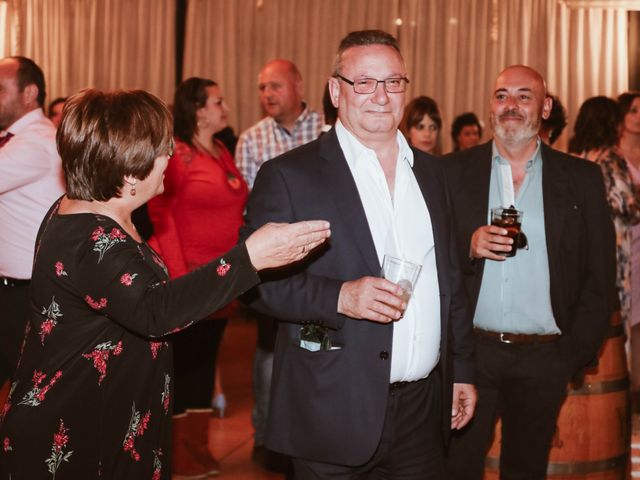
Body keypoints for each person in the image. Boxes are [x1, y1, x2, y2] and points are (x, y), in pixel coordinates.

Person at [0, 88, 330, 480]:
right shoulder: (89, 238)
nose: (169, 157)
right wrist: (250, 258)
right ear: (127, 170)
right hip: (76, 428)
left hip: (112, 414)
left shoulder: (96, 210)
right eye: (160, 150)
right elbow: (156, 311)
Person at [241, 29, 476, 478]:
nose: (380, 96)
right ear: (335, 90)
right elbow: (255, 287)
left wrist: (462, 368)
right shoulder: (290, 176)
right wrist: (341, 297)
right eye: (363, 82)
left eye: (393, 82)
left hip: (423, 413)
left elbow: (452, 282)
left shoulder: (433, 175)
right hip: (331, 408)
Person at [444, 65, 615, 479]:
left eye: (524, 96)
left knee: (526, 468)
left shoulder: (582, 179)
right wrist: (466, 247)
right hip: (471, 354)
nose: (511, 106)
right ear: (490, 105)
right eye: (502, 95)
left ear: (545, 106)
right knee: (456, 466)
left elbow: (601, 274)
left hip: (545, 356)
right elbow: (426, 258)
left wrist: (571, 353)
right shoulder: (450, 173)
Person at [146, 77, 248, 477]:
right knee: (185, 364)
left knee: (206, 362)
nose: (226, 107)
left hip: (221, 279)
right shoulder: (181, 153)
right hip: (187, 277)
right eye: (218, 101)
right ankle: (177, 453)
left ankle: (199, 445)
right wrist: (178, 276)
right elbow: (161, 214)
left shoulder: (221, 149)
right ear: (198, 110)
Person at [235, 58, 324, 471]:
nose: (267, 94)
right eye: (261, 88)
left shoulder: (327, 129)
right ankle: (268, 435)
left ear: (298, 85)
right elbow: (249, 206)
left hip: (324, 255)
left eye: (275, 86)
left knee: (320, 346)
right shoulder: (252, 140)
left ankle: (314, 432)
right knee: (270, 349)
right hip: (273, 263)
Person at [0, 56, 65, 390]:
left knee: (29, 393)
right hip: (16, 290)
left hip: (26, 295)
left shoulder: (35, 141)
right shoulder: (15, 139)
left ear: (30, 93)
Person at [617, 91, 640, 403]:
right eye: (634, 111)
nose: (638, 117)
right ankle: (630, 389)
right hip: (625, 243)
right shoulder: (613, 155)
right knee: (628, 316)